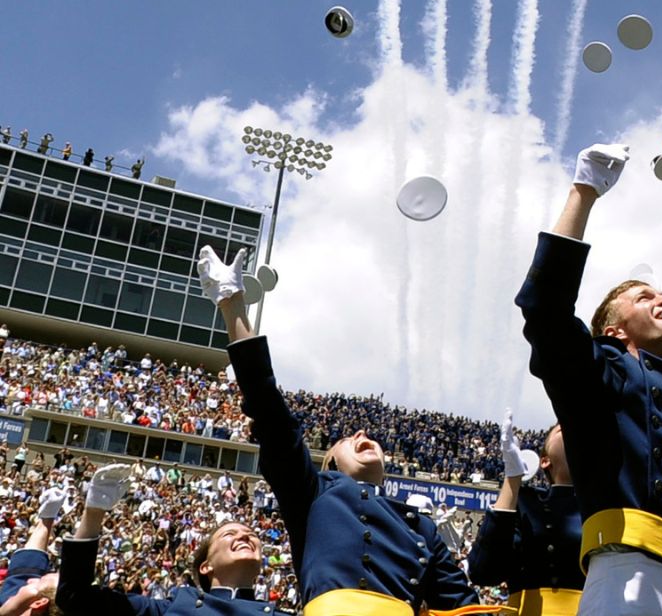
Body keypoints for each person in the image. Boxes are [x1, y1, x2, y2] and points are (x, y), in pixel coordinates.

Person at [201, 246, 480, 615]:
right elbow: (271, 414)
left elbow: (463, 605)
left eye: (367, 437)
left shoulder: (422, 528)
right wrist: (232, 304)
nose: (362, 433)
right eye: (348, 439)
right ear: (329, 464)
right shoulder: (313, 494)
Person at [518, 144, 662, 616]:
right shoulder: (603, 371)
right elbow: (545, 311)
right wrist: (583, 192)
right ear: (613, 331)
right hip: (631, 577)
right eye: (643, 296)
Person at [56, 461, 284, 614]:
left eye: (252, 534)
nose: (245, 535)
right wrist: (94, 512)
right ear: (205, 566)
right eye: (230, 533)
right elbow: (75, 597)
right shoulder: (175, 605)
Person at [467, 415, 583, 615]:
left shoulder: (610, 503)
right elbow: (483, 571)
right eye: (562, 429)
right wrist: (512, 479)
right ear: (545, 461)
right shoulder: (527, 503)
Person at [0, 486, 65, 615]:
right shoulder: (24, 600)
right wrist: (48, 515)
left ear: (38, 603)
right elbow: (27, 568)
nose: (30, 580)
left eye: (40, 580)